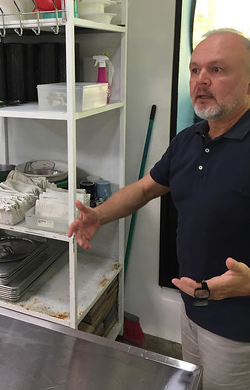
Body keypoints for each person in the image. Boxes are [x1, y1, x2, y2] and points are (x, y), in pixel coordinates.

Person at [68, 29, 250, 390]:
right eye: (195, 70)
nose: (201, 81)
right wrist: (99, 214)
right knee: (194, 382)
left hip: (238, 326)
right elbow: (146, 188)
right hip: (191, 304)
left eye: (217, 70)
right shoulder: (189, 139)